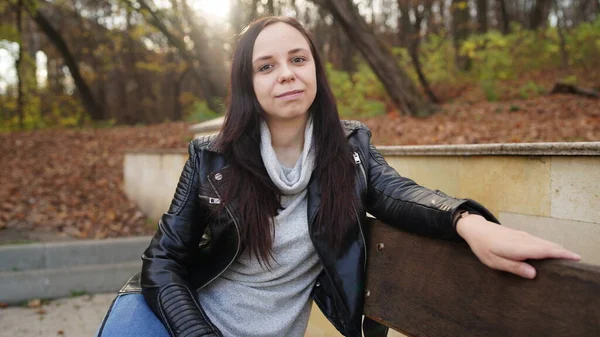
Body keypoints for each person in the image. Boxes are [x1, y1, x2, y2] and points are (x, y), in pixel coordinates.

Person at [95, 16, 580, 337]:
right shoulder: (211, 158)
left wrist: (470, 223)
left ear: (315, 71)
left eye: (297, 59)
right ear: (248, 84)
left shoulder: (349, 149)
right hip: (169, 322)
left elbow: (397, 193)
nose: (286, 74)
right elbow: (162, 264)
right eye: (266, 66)